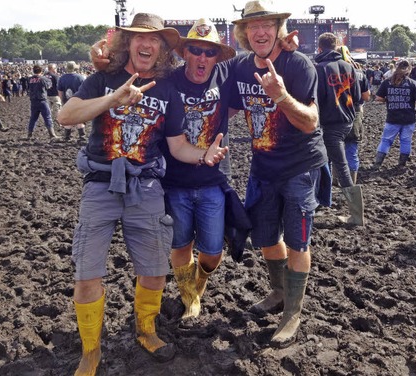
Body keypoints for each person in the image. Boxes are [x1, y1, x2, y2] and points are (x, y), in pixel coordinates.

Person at [57, 13, 228, 372]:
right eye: (139, 38)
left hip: (147, 185)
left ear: (163, 48)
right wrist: (113, 100)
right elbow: (66, 116)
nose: (147, 44)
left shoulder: (168, 89)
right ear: (128, 43)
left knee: (153, 271)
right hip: (101, 185)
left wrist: (204, 155)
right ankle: (91, 350)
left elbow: (178, 146)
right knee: (87, 273)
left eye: (155, 40)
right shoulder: (104, 78)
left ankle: (146, 329)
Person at [231, 0, 328, 349]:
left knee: (298, 241)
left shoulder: (298, 64)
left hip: (300, 167)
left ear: (278, 30)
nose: (260, 32)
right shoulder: (240, 67)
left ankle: (293, 312)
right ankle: (278, 292)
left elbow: (310, 121)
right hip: (263, 167)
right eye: (253, 26)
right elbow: (221, 106)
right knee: (267, 238)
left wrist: (282, 96)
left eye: (268, 25)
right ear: (244, 33)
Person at [159, 19, 237, 322]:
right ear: (185, 53)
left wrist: (283, 43)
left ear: (217, 56)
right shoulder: (169, 81)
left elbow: (264, 56)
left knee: (213, 251)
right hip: (175, 180)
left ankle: (198, 284)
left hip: (212, 181)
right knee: (181, 245)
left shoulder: (226, 75)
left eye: (209, 52)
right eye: (196, 50)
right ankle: (190, 299)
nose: (202, 58)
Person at [314, 34, 363, 226]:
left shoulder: (319, 69)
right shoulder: (349, 67)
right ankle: (319, 202)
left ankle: (356, 215)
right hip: (347, 121)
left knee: (338, 165)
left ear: (319, 48)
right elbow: (358, 97)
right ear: (337, 47)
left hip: (328, 123)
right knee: (327, 161)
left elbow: (315, 99)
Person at [372, 59, 416, 169]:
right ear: (409, 71)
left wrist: (388, 99)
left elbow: (378, 98)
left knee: (386, 140)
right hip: (408, 117)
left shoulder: (387, 82)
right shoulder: (413, 83)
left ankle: (377, 163)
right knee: (406, 141)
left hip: (392, 117)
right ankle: (401, 163)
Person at [57, 61, 87, 142]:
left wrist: (62, 101)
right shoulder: (80, 77)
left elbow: (60, 92)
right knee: (79, 119)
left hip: (67, 102)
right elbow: (85, 90)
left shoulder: (62, 78)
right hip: (78, 101)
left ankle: (67, 137)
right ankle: (82, 136)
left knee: (68, 118)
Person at [27, 65, 58, 140]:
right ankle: (52, 134)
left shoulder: (30, 79)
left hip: (33, 100)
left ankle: (29, 134)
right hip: (42, 99)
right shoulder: (43, 78)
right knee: (47, 117)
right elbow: (48, 86)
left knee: (33, 118)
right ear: (41, 71)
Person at [45, 63, 62, 130]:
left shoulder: (44, 76)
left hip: (47, 95)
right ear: (52, 69)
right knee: (57, 110)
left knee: (48, 110)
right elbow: (58, 86)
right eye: (55, 68)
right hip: (55, 95)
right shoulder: (55, 76)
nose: (56, 69)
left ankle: (49, 124)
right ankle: (59, 122)